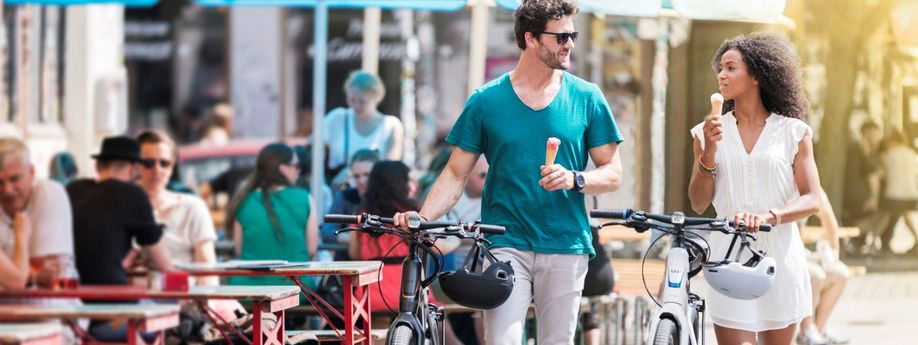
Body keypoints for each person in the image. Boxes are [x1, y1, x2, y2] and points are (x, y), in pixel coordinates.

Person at [394, 1, 624, 343]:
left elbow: (613, 172)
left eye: (572, 35)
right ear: (531, 39)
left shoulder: (587, 97)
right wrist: (422, 219)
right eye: (561, 37)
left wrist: (576, 178)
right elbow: (456, 174)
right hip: (505, 244)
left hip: (566, 244)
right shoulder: (486, 100)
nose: (570, 44)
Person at [688, 32, 821, 345]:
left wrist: (770, 216)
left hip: (780, 257)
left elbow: (812, 198)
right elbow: (697, 202)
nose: (722, 74)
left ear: (757, 76)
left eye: (731, 68)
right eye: (720, 68)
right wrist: (708, 151)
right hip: (728, 257)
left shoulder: (793, 132)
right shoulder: (705, 132)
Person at [67, 136, 175, 342]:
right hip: (112, 309)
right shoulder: (133, 195)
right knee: (169, 311)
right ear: (134, 169)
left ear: (98, 166)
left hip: (71, 309)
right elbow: (165, 266)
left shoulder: (73, 189)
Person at [347, 161, 463, 345]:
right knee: (438, 319)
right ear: (399, 182)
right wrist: (457, 240)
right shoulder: (409, 215)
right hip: (407, 285)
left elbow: (354, 253)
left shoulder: (364, 214)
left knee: (376, 333)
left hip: (374, 289)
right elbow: (437, 247)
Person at [226, 143, 318, 289]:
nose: (299, 170)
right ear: (283, 168)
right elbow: (311, 249)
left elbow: (239, 248)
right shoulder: (305, 198)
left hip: (247, 288)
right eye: (296, 165)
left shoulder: (242, 199)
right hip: (295, 288)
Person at [136, 130, 218, 285]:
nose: (157, 170)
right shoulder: (123, 206)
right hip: (136, 302)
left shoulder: (193, 206)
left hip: (185, 299)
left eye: (164, 163)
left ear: (172, 167)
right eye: (148, 163)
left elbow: (207, 268)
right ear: (136, 166)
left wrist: (205, 304)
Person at [0, 138, 75, 289]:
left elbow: (53, 273)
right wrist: (21, 236)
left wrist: (19, 272)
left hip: (50, 308)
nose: (7, 190)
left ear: (32, 172)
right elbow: (17, 280)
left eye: (15, 179)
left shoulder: (49, 193)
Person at [323, 70, 404, 181]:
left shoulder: (391, 126)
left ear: (376, 98)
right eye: (352, 100)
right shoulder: (336, 118)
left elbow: (391, 168)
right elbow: (313, 147)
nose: (356, 105)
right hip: (338, 189)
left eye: (362, 101)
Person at [797, 190, 851, 345]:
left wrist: (833, 254)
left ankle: (819, 330)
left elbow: (828, 218)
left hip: (801, 253)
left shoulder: (813, 188)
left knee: (841, 273)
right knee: (815, 275)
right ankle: (805, 333)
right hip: (785, 255)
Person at [841, 121, 882, 254]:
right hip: (860, 196)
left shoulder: (853, 148)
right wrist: (874, 198)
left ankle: (854, 242)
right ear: (867, 134)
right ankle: (850, 240)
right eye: (874, 134)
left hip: (850, 194)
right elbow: (873, 176)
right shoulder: (861, 149)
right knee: (879, 216)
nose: (876, 138)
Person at [876, 130, 918, 254]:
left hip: (893, 192)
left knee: (885, 216)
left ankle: (874, 241)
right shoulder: (912, 154)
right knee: (904, 216)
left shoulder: (888, 154)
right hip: (910, 192)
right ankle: (916, 239)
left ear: (893, 141)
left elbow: (883, 174)